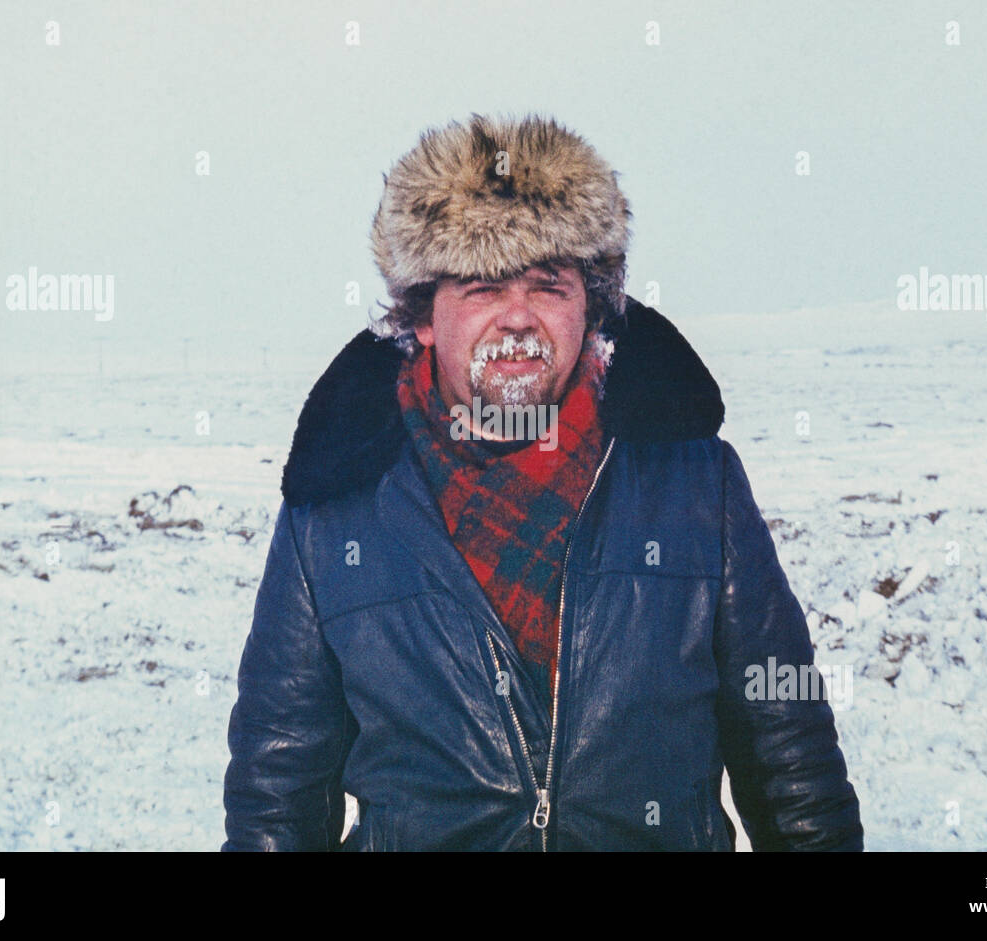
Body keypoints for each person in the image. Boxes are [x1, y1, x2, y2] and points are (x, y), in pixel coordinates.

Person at [221, 112, 864, 851]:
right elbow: (276, 796)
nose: (519, 317)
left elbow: (791, 757)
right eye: (484, 287)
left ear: (589, 305)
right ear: (423, 316)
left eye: (548, 284)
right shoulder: (334, 513)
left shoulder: (695, 484)